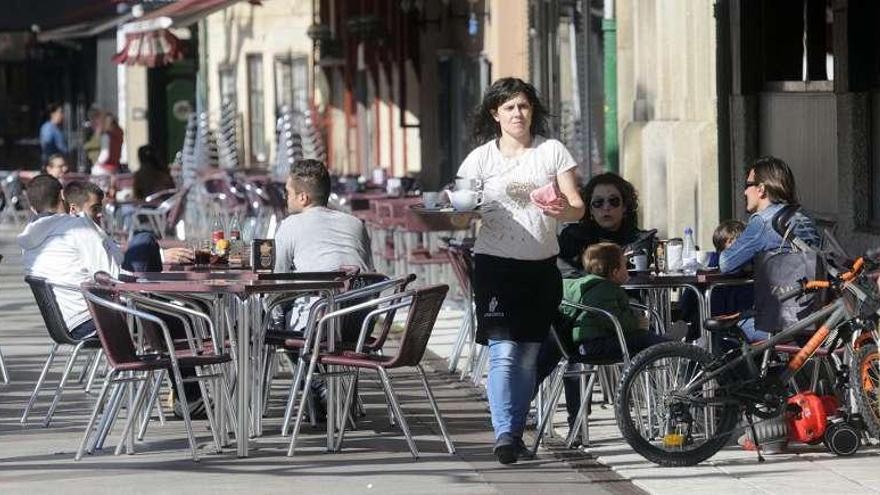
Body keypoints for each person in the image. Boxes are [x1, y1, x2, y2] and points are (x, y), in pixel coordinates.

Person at [457, 77, 585, 465]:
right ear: (495, 114)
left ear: (533, 112)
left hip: (541, 267)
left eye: (524, 106)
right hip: (495, 266)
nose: (518, 113)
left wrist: (563, 209)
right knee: (504, 352)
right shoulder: (480, 159)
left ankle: (513, 432)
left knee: (529, 354)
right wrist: (464, 210)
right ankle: (504, 435)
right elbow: (461, 205)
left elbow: (578, 206)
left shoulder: (552, 151)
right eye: (509, 107)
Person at [719, 156, 821, 341]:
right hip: (816, 313)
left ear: (761, 189)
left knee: (723, 325)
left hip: (783, 318)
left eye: (747, 184)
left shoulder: (763, 222)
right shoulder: (803, 215)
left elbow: (726, 262)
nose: (744, 191)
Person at [18, 175, 119, 339]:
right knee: (174, 319)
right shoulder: (77, 228)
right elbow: (115, 277)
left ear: (32, 207)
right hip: (97, 320)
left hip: (64, 326)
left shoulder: (27, 245)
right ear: (63, 195)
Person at [561, 243, 668, 359]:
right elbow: (613, 320)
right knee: (643, 338)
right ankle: (671, 346)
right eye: (625, 266)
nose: (628, 270)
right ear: (615, 272)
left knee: (643, 337)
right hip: (596, 344)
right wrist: (636, 323)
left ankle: (664, 343)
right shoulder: (605, 290)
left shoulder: (594, 287)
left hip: (592, 342)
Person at [63, 180, 192, 272]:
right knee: (144, 239)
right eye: (94, 209)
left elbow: (114, 252)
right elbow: (112, 275)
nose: (100, 214)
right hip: (124, 301)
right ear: (74, 209)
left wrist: (160, 255)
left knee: (144, 241)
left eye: (100, 209)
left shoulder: (74, 232)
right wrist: (159, 257)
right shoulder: (84, 235)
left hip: (117, 298)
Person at [274, 158, 373, 274]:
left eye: (288, 192)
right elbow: (371, 274)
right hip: (362, 291)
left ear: (303, 198)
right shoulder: (356, 223)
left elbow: (276, 276)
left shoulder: (290, 225)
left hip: (319, 290)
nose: (285, 197)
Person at [557, 172, 650, 279]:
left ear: (624, 206)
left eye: (613, 201)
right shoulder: (573, 239)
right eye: (598, 202)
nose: (606, 207)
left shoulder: (639, 242)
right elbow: (566, 276)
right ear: (590, 209)